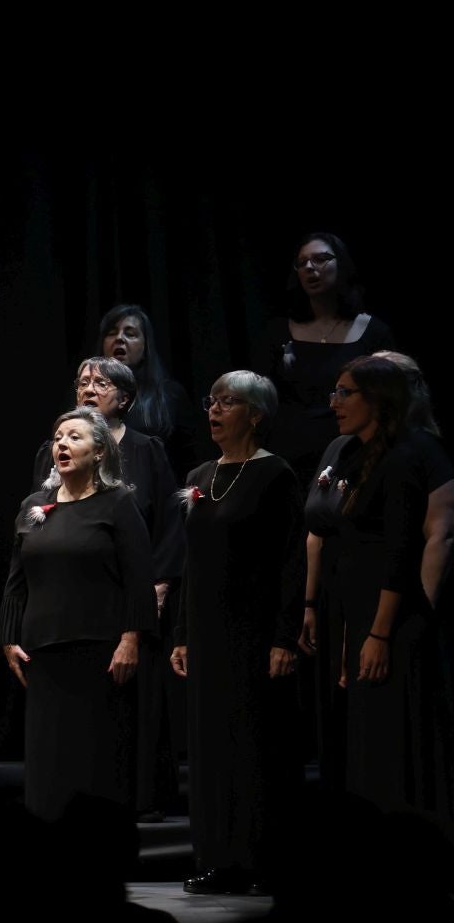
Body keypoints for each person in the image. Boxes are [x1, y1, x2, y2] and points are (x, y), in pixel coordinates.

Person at [33, 357, 186, 820]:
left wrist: (156, 586)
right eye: (82, 382)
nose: (89, 388)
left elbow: (167, 522)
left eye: (101, 383)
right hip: (74, 602)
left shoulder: (146, 448)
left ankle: (138, 798)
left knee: (132, 702)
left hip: (135, 596)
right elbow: (38, 525)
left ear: (125, 397)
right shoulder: (52, 451)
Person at [169, 372, 304, 893]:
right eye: (212, 400)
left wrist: (284, 636)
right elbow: (192, 561)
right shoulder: (202, 473)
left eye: (228, 402)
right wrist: (180, 632)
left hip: (254, 631)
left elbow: (292, 560)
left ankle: (259, 861)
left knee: (251, 744)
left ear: (256, 414)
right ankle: (218, 858)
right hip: (205, 632)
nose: (214, 409)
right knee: (210, 747)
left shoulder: (276, 475)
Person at [2, 407, 158, 820]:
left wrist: (130, 639)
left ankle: (98, 855)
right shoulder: (35, 506)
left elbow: (139, 577)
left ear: (100, 452)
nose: (62, 445)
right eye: (57, 438)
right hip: (44, 653)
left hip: (100, 651)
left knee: (97, 754)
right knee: (49, 756)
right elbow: (17, 579)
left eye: (73, 437)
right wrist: (8, 637)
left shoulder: (118, 503)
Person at [323, 356, 454, 829]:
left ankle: (411, 852)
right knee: (368, 740)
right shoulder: (356, 456)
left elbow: (400, 552)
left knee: (395, 738)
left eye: (345, 393)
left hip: (391, 620)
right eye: (334, 392)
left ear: (377, 399)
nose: (335, 403)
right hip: (361, 617)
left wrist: (379, 633)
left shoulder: (406, 455)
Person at [258, 232, 397, 485]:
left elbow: (390, 400)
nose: (310, 267)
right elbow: (264, 400)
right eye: (302, 263)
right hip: (291, 462)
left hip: (356, 457)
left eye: (321, 259)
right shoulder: (277, 332)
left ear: (341, 265)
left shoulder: (373, 331)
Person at [98, 304, 196, 475]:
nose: (119, 338)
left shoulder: (170, 394)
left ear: (145, 347)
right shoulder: (85, 393)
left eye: (130, 334)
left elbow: (189, 458)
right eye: (112, 333)